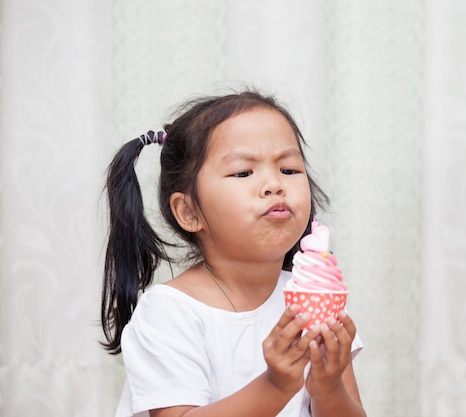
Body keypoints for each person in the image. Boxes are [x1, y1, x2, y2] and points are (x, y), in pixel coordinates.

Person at [100, 90, 366, 417]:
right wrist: (275, 386)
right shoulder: (170, 313)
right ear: (189, 212)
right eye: (243, 172)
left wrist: (328, 389)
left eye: (289, 170)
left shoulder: (314, 299)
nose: (274, 185)